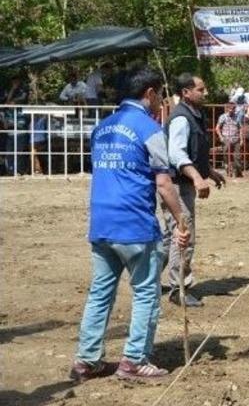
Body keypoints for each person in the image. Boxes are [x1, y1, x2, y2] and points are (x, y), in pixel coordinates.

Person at [70, 66, 190, 382]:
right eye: (160, 94)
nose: (162, 99)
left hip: (101, 222)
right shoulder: (150, 129)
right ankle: (135, 359)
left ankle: (87, 359)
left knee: (100, 293)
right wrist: (181, 219)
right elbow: (163, 184)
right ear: (149, 93)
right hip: (135, 224)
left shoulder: (102, 127)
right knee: (146, 293)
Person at [161, 73, 225, 308]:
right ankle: (179, 289)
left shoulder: (196, 115)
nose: (205, 93)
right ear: (186, 93)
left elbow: (194, 150)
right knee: (184, 236)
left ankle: (148, 280)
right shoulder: (181, 118)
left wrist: (209, 171)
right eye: (201, 89)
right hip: (177, 185)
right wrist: (198, 178)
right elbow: (176, 153)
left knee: (170, 237)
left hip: (182, 183)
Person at [216, 103, 243, 178]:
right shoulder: (223, 117)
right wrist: (221, 137)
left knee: (237, 156)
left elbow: (240, 128)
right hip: (226, 139)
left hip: (235, 139)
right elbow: (217, 128)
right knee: (226, 155)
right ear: (227, 109)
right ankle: (228, 170)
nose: (231, 110)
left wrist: (241, 139)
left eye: (233, 108)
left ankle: (238, 173)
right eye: (230, 108)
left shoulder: (237, 117)